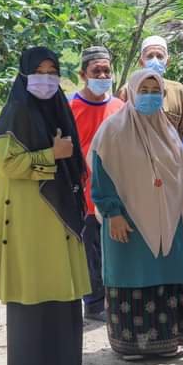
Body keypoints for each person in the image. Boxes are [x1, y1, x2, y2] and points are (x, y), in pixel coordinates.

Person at [90, 69, 183, 356]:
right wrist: (112, 213)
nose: (150, 96)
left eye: (156, 91)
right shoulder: (112, 131)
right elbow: (101, 178)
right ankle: (131, 347)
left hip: (167, 218)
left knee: (166, 277)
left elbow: (182, 174)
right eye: (144, 90)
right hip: (127, 222)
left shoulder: (166, 130)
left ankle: (167, 342)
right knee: (133, 276)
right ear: (132, 93)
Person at [0, 46, 90, 365]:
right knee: (33, 292)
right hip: (29, 216)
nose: (46, 79)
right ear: (24, 74)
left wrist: (62, 158)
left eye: (52, 71)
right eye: (39, 71)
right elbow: (7, 165)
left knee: (62, 290)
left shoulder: (58, 107)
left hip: (60, 213)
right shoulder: (16, 112)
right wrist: (51, 155)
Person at [69, 45, 125, 321]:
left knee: (113, 248)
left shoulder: (119, 107)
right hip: (84, 192)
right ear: (83, 74)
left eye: (106, 71)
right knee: (89, 250)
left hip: (115, 192)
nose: (103, 76)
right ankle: (93, 303)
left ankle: (115, 298)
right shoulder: (70, 108)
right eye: (96, 71)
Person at [120, 35, 183, 139]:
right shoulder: (127, 90)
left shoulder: (178, 91)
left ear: (167, 62)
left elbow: (182, 130)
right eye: (150, 56)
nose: (155, 60)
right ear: (141, 62)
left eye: (160, 56)